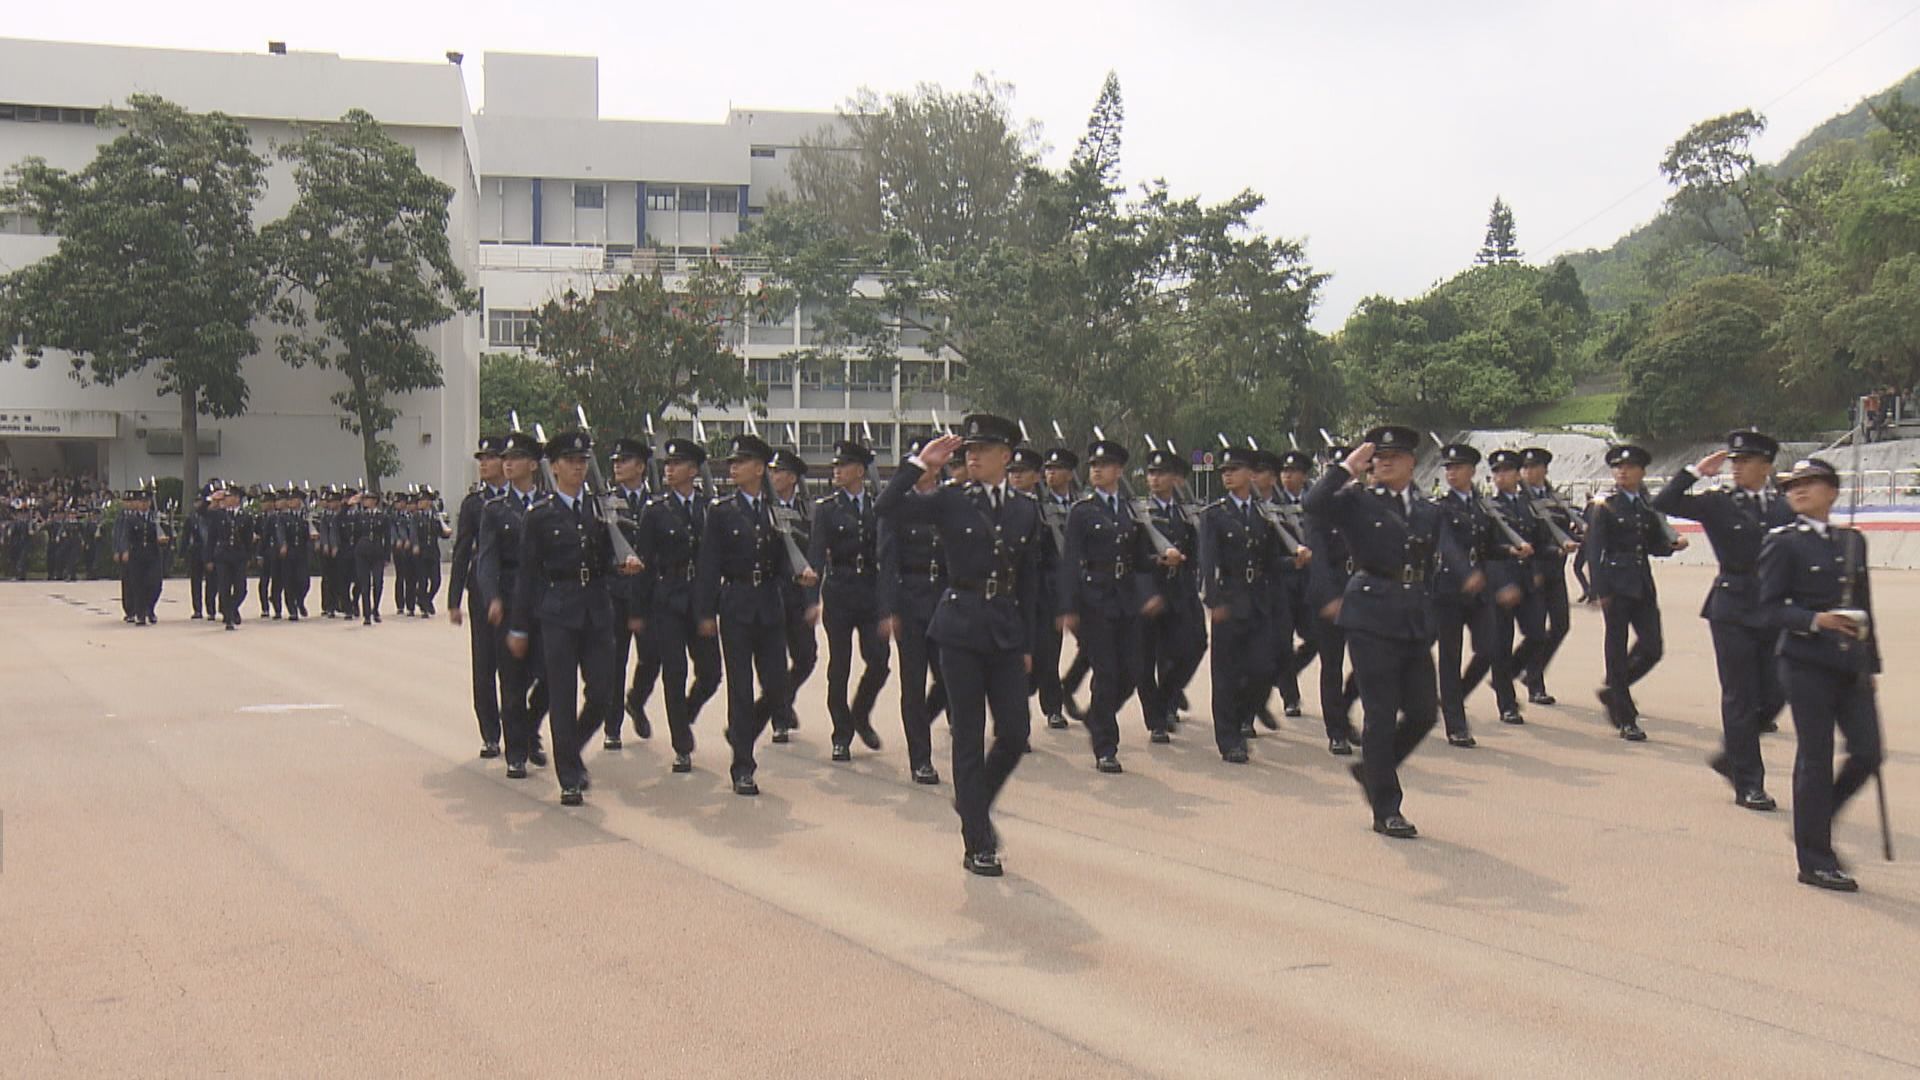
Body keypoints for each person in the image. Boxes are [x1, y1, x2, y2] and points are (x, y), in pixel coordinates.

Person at [876, 416, 1042, 876]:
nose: (973, 455)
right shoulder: (950, 500)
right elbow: (886, 508)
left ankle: (973, 800)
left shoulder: (1026, 509)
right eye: (969, 449)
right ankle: (978, 841)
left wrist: (1028, 641)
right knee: (967, 735)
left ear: (1007, 456)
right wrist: (918, 465)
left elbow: (1029, 581)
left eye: (984, 449)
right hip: (959, 627)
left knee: (1014, 734)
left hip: (1005, 630)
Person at [1304, 426, 1474, 838]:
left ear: (1412, 463)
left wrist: (1430, 609)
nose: (1384, 462)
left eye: (1394, 456)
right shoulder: (1358, 501)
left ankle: (1372, 769)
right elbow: (1313, 504)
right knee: (1380, 714)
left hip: (1412, 614)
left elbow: (1431, 563)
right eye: (1379, 457)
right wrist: (1345, 468)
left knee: (1423, 712)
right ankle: (1387, 808)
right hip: (1369, 612)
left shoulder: (1428, 510)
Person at [1757, 457, 1883, 892]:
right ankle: (1815, 859)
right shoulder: (1783, 543)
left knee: (1868, 752)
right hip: (1804, 661)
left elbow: (1864, 603)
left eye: (1810, 483)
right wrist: (1815, 620)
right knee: (1815, 756)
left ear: (1832, 491)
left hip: (1850, 662)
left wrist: (1871, 661)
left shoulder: (1852, 541)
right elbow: (1768, 608)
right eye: (1793, 485)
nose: (1799, 490)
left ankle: (1816, 814)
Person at [1651, 431, 1796, 811]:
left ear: (1766, 466)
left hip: (1775, 608)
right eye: (1734, 461)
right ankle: (1749, 783)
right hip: (1732, 607)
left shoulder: (1785, 506)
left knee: (1777, 693)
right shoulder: (1718, 503)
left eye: (1745, 461)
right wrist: (1695, 472)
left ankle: (1733, 753)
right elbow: (1662, 503)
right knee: (1740, 697)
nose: (1737, 468)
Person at [507, 430, 640, 806]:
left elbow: (614, 553)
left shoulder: (602, 508)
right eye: (570, 461)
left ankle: (572, 747)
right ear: (554, 466)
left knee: (602, 692)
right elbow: (527, 576)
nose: (578, 467)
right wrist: (519, 626)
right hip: (558, 610)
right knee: (562, 695)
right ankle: (569, 775)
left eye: (583, 461)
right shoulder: (539, 515)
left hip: (598, 608)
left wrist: (625, 566)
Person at [694, 433, 818, 796]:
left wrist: (800, 576)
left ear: (759, 468)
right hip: (735, 605)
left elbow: (784, 559)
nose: (733, 467)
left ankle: (741, 733)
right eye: (732, 462)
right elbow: (708, 566)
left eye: (741, 462)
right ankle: (743, 766)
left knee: (778, 687)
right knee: (741, 690)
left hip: (769, 605)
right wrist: (704, 612)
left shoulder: (777, 510)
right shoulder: (721, 511)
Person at [1058, 437, 1167, 772]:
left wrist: (1160, 560)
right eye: (1093, 466)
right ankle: (1106, 746)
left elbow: (1135, 559)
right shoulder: (1082, 511)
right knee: (1105, 673)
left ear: (1118, 471)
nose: (1096, 471)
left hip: (1126, 599)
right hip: (1095, 600)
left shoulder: (1128, 511)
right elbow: (1070, 562)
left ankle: (1097, 716)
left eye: (1103, 466)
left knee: (1133, 671)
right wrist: (1069, 609)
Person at [634, 437, 722, 773]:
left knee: (711, 673)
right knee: (675, 672)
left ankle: (684, 714)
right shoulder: (655, 511)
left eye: (676, 464)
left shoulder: (710, 508)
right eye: (667, 464)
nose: (669, 469)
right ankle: (681, 744)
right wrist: (637, 611)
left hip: (701, 599)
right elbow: (644, 563)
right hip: (667, 598)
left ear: (693, 470)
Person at [1586, 444, 1685, 741]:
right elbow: (1594, 550)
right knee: (1616, 651)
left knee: (1653, 647)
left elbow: (1651, 544)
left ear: (1642, 472)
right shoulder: (1603, 504)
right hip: (1615, 585)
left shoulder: (1645, 504)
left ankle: (1614, 690)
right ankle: (1624, 715)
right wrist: (1599, 589)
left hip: (1641, 581)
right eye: (1618, 467)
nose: (1622, 472)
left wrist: (1671, 546)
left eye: (1629, 467)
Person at [808, 439, 890, 761]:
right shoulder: (827, 509)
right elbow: (816, 555)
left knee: (880, 661)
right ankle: (841, 733)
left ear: (859, 470)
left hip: (869, 592)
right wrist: (811, 600)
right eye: (835, 466)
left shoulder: (878, 505)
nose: (836, 471)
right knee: (839, 666)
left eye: (843, 466)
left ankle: (860, 713)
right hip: (839, 591)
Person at [1197, 446, 1279, 763]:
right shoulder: (1214, 514)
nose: (1227, 475)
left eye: (1234, 469)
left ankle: (1245, 715)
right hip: (1229, 599)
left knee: (1263, 667)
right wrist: (1213, 599)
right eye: (1224, 471)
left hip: (1258, 598)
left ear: (1249, 474)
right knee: (1226, 673)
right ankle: (1229, 738)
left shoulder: (1262, 513)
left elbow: (1271, 560)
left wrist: (1294, 560)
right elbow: (1207, 562)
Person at [477, 433, 551, 778]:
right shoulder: (494, 509)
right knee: (512, 679)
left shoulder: (550, 504)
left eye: (516, 457)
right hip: (508, 600)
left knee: (550, 675)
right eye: (504, 457)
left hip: (545, 600)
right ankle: (516, 752)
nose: (507, 463)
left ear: (533, 465)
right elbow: (487, 559)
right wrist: (491, 597)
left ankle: (530, 725)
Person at [879, 435, 950, 783]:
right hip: (910, 601)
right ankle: (920, 758)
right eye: (919, 464)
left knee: (951, 679)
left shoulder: (949, 500)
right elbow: (887, 558)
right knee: (913, 684)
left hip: (945, 601)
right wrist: (890, 608)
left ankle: (926, 720)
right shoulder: (900, 505)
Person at [1430, 444, 1498, 748]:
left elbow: (1489, 546)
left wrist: (1513, 551)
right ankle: (1456, 724)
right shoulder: (1441, 507)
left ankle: (1453, 696)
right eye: (1447, 467)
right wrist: (1464, 572)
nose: (1451, 472)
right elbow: (1446, 544)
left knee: (1489, 649)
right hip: (1449, 589)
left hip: (1479, 591)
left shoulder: (1482, 506)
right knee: (1450, 656)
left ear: (1472, 471)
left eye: (1457, 467)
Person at [1137, 448, 1206, 743]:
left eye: (1161, 473)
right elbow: (1134, 556)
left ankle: (1168, 697)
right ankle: (1156, 720)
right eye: (1151, 473)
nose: (1154, 479)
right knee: (1144, 661)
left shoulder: (1185, 514)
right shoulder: (1139, 513)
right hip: (1149, 591)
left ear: (1175, 479)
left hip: (1180, 592)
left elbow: (1198, 552)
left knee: (1195, 646)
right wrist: (1158, 561)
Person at [449, 435, 509, 758]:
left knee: (519, 665)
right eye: (481, 458)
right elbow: (461, 552)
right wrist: (453, 600)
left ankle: (520, 727)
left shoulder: (523, 501)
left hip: (515, 591)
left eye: (491, 457)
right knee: (484, 665)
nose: (484, 464)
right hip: (482, 593)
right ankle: (490, 733)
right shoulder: (474, 504)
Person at [1483, 450, 1549, 726]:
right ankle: (1507, 704)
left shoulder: (1528, 504)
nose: (1501, 477)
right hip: (1501, 581)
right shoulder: (1487, 506)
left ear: (1517, 474)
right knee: (1501, 643)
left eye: (1506, 471)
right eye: (1496, 472)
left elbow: (1540, 540)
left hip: (1526, 580)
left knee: (1537, 635)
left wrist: (1537, 571)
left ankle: (1506, 674)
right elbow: (1485, 547)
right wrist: (1509, 551)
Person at [605, 437, 659, 749]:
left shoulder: (656, 501)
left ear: (640, 467)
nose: (617, 465)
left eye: (624, 461)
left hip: (650, 594)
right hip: (618, 593)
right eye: (615, 461)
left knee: (652, 658)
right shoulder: (606, 501)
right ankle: (612, 728)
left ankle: (636, 701)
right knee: (616, 661)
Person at [1517, 448, 1580, 703]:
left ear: (1544, 469)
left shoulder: (1556, 498)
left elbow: (1564, 529)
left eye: (1534, 467)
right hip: (1533, 572)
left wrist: (1577, 536)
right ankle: (1535, 684)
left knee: (1561, 626)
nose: (1528, 472)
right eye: (1525, 468)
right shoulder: (1520, 501)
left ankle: (1531, 671)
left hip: (1555, 571)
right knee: (1537, 631)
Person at [766, 447, 818, 743]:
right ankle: (779, 717)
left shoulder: (807, 511)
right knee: (774, 660)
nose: (773, 476)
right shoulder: (764, 508)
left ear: (793, 478)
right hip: (771, 594)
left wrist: (813, 600)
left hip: (799, 596)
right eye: (771, 471)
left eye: (779, 471)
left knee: (807, 657)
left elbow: (814, 554)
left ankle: (783, 697)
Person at [1032, 446, 1078, 730]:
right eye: (1047, 469)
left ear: (1070, 474)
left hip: (1081, 585)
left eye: (1057, 468)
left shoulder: (1082, 504)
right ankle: (1053, 707)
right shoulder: (1039, 505)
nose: (1050, 473)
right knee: (1048, 650)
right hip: (1048, 588)